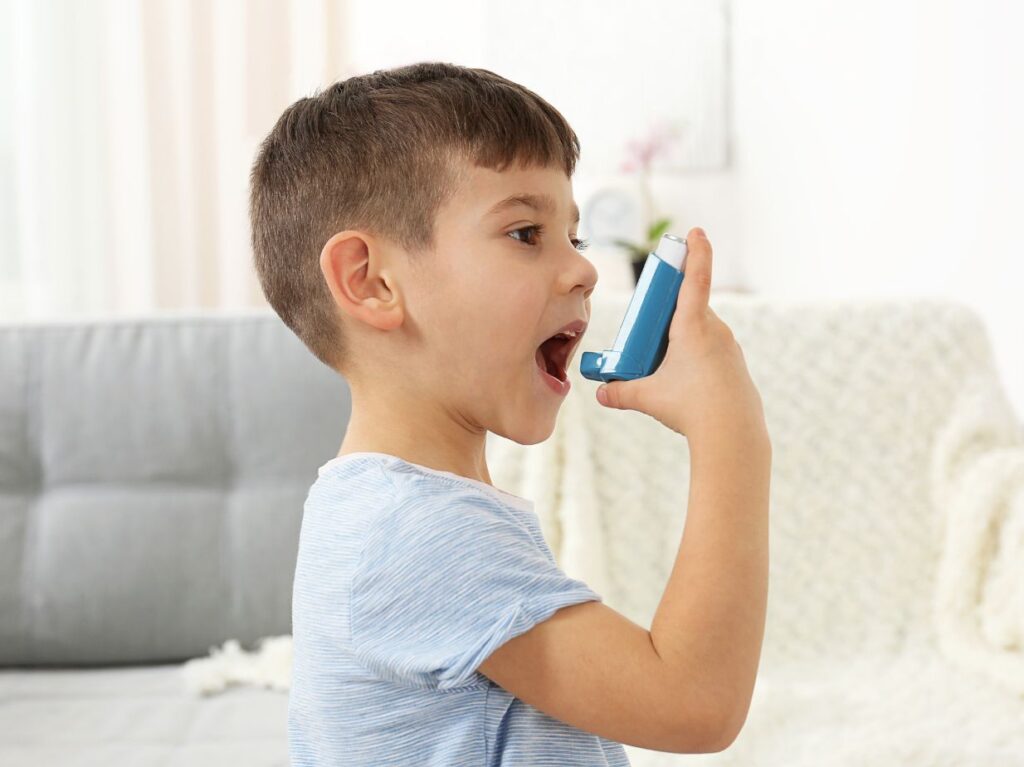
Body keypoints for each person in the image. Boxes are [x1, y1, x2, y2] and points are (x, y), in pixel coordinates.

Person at [249, 61, 771, 766]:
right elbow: (694, 704)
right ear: (370, 282)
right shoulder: (419, 531)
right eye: (526, 233)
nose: (584, 270)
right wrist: (732, 431)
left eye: (574, 239)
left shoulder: (387, 508)